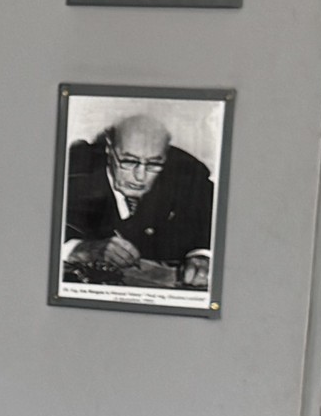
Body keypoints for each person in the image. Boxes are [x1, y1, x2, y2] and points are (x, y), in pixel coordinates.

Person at [62, 111, 214, 289]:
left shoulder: (188, 174)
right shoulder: (70, 175)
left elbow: (210, 221)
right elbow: (42, 235)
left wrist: (202, 255)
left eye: (154, 164)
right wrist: (79, 249)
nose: (140, 177)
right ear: (109, 149)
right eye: (129, 161)